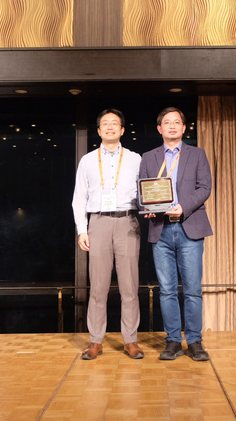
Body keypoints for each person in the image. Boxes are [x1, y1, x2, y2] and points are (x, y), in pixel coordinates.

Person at [139, 107, 213, 361]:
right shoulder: (148, 157)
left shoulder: (197, 154)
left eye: (176, 122)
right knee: (167, 290)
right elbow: (143, 191)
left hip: (189, 226)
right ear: (159, 128)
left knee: (192, 290)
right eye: (167, 122)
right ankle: (172, 341)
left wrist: (184, 206)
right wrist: (147, 207)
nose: (172, 126)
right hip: (160, 229)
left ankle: (194, 341)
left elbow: (205, 187)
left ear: (183, 128)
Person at [72, 108, 144, 360]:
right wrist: (82, 230)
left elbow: (146, 191)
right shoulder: (88, 160)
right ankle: (95, 341)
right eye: (105, 123)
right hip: (99, 222)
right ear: (99, 130)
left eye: (115, 123)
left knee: (129, 286)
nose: (110, 127)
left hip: (127, 222)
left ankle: (131, 340)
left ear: (122, 130)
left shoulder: (135, 159)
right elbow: (79, 198)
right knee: (98, 287)